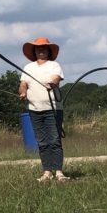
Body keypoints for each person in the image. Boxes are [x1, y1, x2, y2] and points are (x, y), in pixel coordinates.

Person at [18, 37, 67, 182]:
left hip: (53, 109)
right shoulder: (28, 68)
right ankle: (47, 172)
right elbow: (23, 84)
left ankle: (59, 172)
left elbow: (56, 78)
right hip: (34, 109)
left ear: (48, 50)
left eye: (44, 48)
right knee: (42, 141)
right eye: (38, 48)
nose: (41, 50)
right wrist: (23, 92)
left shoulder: (54, 65)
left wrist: (52, 82)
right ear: (34, 51)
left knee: (54, 140)